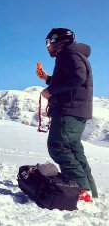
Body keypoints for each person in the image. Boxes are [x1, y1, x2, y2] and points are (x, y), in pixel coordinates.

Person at [37, 28, 97, 201]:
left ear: (60, 41)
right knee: (73, 149)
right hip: (77, 109)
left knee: (58, 146)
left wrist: (51, 90)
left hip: (68, 109)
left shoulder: (68, 55)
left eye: (49, 42)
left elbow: (78, 78)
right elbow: (71, 78)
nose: (48, 47)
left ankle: (80, 192)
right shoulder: (75, 54)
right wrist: (48, 79)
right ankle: (89, 192)